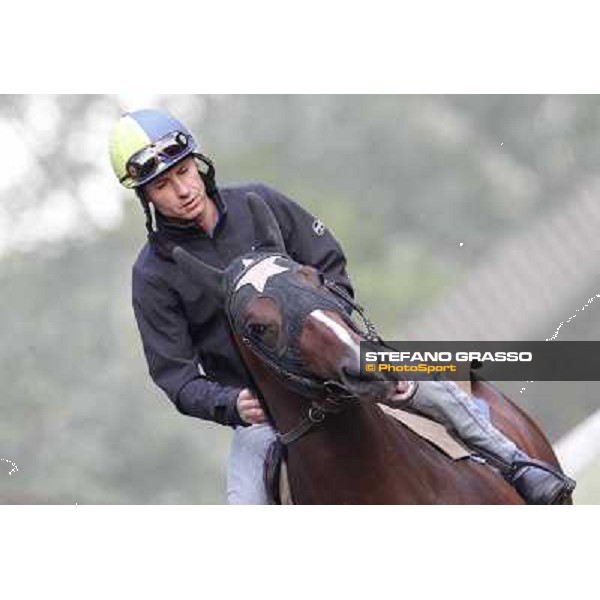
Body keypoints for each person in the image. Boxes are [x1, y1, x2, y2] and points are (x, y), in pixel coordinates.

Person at [109, 108, 575, 505]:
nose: (183, 189)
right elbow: (175, 374)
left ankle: (520, 468)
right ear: (146, 196)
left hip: (340, 357)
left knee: (441, 389)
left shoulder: (261, 202)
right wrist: (231, 402)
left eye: (184, 171)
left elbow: (327, 262)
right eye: (164, 184)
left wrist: (336, 338)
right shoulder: (152, 277)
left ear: (199, 164)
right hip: (269, 414)